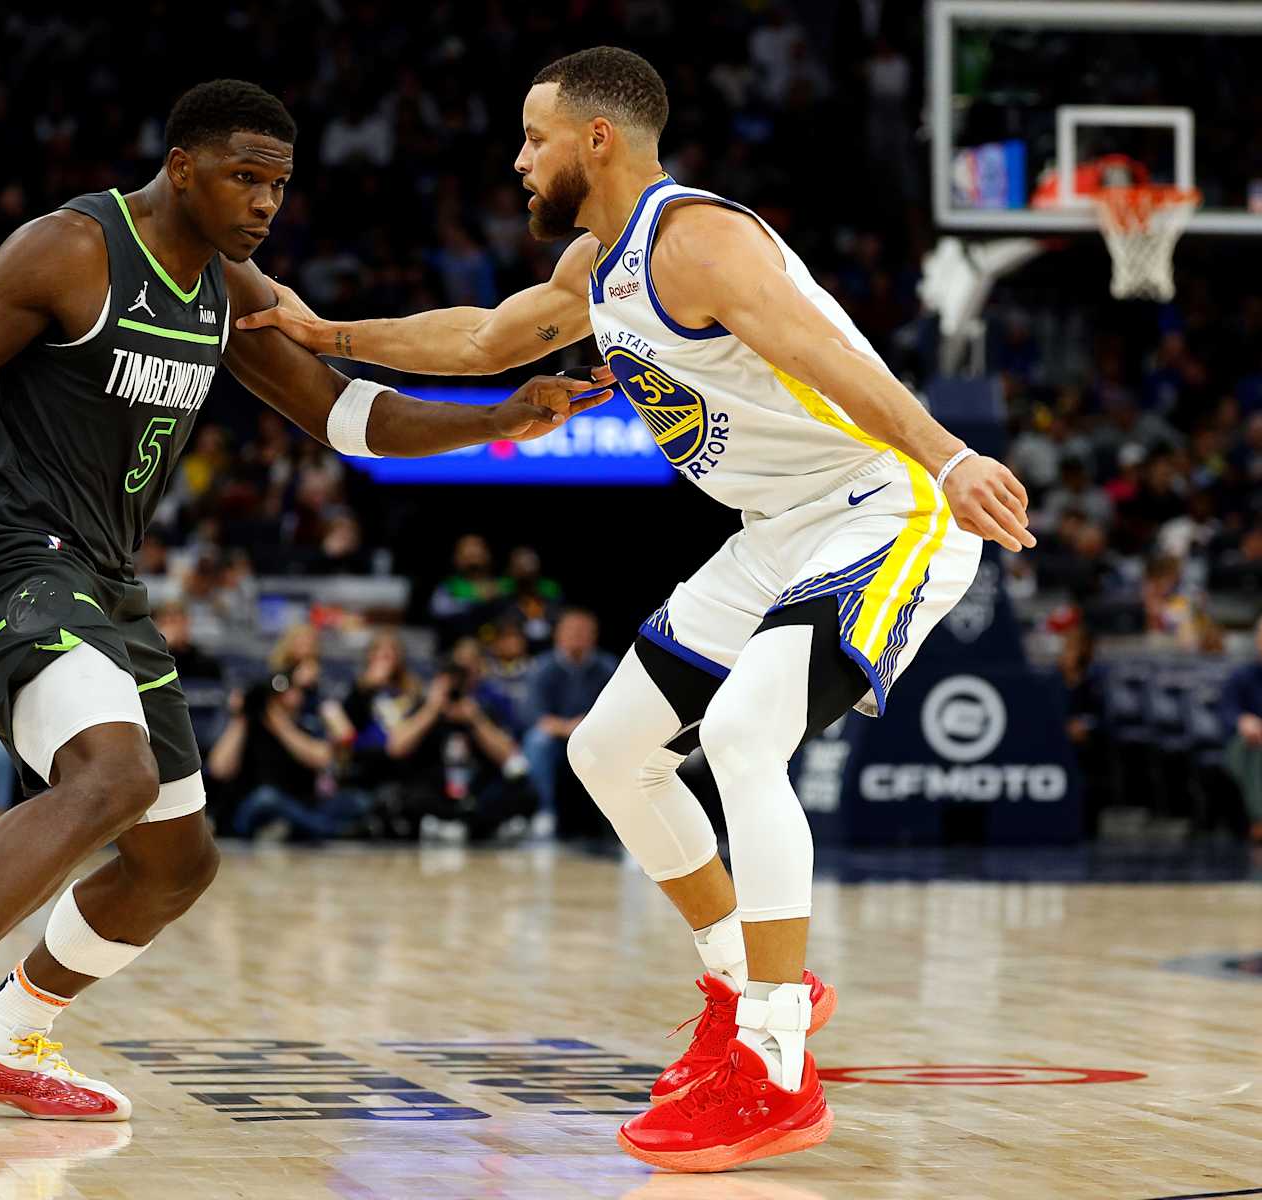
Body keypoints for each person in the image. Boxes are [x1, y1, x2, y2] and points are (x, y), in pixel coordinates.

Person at [0, 78, 608, 1120]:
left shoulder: (232, 290)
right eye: (244, 178)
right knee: (110, 774)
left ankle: (8, 1031)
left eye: (278, 185)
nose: (263, 204)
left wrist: (501, 415)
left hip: (105, 581)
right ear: (181, 168)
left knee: (176, 863)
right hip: (5, 552)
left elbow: (349, 418)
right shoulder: (71, 252)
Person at [238, 46, 1034, 1170]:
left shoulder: (696, 238)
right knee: (611, 752)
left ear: (596, 140)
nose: (519, 159)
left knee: (749, 734)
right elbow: (483, 337)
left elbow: (831, 356)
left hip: (882, 509)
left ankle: (773, 1059)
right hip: (776, 530)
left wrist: (949, 457)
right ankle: (740, 982)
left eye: (534, 138)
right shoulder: (597, 265)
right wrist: (333, 338)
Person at [378, 638, 530, 842]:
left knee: (521, 789)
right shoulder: (427, 704)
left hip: (476, 793)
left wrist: (476, 721)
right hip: (434, 792)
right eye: (456, 671)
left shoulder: (484, 706)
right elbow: (395, 748)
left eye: (468, 670)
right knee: (400, 793)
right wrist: (432, 710)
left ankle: (475, 825)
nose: (460, 679)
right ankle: (444, 823)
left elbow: (511, 757)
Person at [206, 659, 366, 841]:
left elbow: (322, 758)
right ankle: (328, 830)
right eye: (277, 696)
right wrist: (241, 717)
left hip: (300, 803)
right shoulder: (249, 726)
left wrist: (280, 724)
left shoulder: (308, 723)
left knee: (356, 800)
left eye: (290, 690)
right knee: (268, 798)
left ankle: (296, 827)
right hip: (253, 805)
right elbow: (219, 768)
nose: (284, 699)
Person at [520, 608, 616, 838]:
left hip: (594, 736)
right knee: (537, 741)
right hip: (556, 737)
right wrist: (567, 728)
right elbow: (534, 715)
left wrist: (586, 726)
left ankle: (616, 816)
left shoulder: (608, 666)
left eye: (584, 631)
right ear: (558, 634)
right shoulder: (541, 667)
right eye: (572, 630)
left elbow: (616, 710)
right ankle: (544, 812)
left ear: (595, 635)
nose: (577, 636)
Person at [1221, 616, 1262, 844]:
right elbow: (1227, 714)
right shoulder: (1241, 676)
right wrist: (1243, 720)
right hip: (1244, 747)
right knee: (1257, 745)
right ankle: (1259, 819)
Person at [151, 600, 223, 688]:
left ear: (187, 622)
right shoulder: (154, 665)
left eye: (175, 621)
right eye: (165, 622)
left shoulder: (207, 664)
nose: (172, 628)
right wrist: (165, 648)